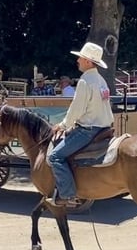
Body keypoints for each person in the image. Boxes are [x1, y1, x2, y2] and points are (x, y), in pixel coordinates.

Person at [48, 42, 114, 208]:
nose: (77, 60)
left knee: (55, 156)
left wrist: (62, 126)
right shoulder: (101, 81)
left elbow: (76, 109)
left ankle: (68, 194)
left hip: (88, 130)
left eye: (80, 57)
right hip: (104, 128)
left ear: (88, 61)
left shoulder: (85, 82)